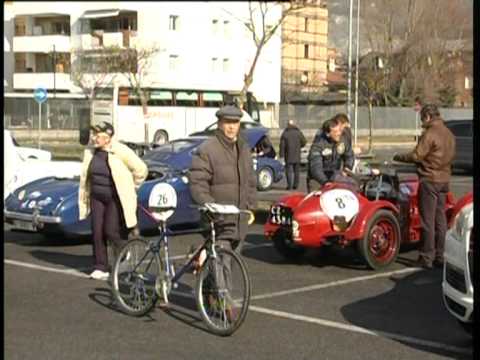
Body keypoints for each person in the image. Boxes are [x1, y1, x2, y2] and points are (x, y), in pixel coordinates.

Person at [78, 121, 148, 280]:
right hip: (96, 197)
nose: (94, 138)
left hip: (114, 198)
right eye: (94, 134)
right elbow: (85, 176)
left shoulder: (120, 151)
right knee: (97, 231)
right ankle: (100, 266)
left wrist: (132, 187)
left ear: (108, 137)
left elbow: (141, 169)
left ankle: (123, 253)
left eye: (98, 135)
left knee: (110, 230)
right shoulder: (90, 151)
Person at [393, 104, 455, 269]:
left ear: (428, 117)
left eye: (422, 119)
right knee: (440, 219)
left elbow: (417, 155)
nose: (422, 122)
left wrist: (398, 156)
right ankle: (440, 256)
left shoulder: (430, 134)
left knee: (427, 220)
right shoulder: (449, 133)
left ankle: (426, 257)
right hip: (444, 180)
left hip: (429, 180)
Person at [189, 105, 257, 254]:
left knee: (226, 269)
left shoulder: (244, 148)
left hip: (240, 221)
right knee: (222, 269)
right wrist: (211, 208)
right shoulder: (208, 149)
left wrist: (250, 206)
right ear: (219, 124)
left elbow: (250, 181)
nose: (232, 127)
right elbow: (197, 184)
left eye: (235, 123)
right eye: (227, 122)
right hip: (219, 222)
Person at [307, 116, 355, 192]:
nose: (339, 133)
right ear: (328, 134)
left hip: (335, 176)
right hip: (317, 180)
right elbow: (315, 167)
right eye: (336, 132)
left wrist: (347, 167)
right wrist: (325, 182)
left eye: (339, 130)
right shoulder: (318, 145)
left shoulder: (343, 140)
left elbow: (349, 155)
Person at [279, 119, 307, 190]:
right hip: (297, 154)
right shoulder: (298, 132)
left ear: (287, 125)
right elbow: (304, 142)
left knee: (288, 171)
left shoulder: (285, 133)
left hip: (288, 155)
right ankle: (295, 185)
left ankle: (289, 186)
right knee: (297, 171)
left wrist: (281, 155)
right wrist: (299, 146)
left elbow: (282, 146)